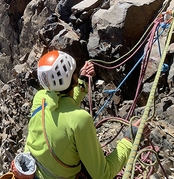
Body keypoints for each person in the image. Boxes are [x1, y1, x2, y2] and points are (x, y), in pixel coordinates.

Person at [23, 50, 143, 179]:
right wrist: (129, 139)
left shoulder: (40, 98)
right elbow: (102, 174)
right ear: (73, 77)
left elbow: (63, 107)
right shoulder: (80, 119)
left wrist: (81, 81)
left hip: (32, 170)